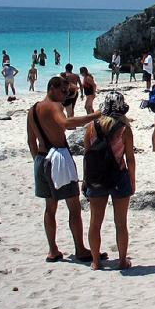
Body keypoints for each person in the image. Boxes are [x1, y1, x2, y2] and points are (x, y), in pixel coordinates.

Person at [27, 76, 103, 263]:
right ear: (52, 88)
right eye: (63, 91)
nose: (66, 95)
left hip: (41, 159)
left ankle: (53, 250)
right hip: (58, 159)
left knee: (50, 208)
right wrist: (96, 115)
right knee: (74, 207)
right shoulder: (54, 106)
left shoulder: (33, 110)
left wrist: (39, 161)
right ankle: (80, 249)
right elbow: (67, 124)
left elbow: (31, 140)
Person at [83, 90, 135, 270]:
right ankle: (122, 260)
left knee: (95, 222)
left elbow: (87, 155)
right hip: (119, 176)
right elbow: (130, 158)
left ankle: (96, 262)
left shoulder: (91, 127)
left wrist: (85, 179)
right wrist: (132, 180)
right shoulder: (124, 129)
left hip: (96, 177)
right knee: (121, 223)